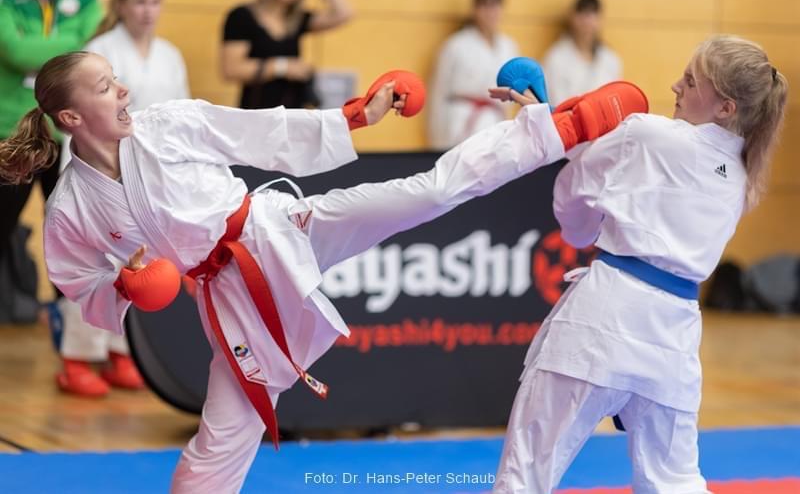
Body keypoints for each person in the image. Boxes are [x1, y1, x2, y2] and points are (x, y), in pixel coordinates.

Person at [0, 50, 643, 492]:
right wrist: (124, 286)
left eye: (117, 80)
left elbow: (260, 133)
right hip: (229, 293)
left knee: (424, 193)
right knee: (224, 436)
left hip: (277, 230)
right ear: (71, 119)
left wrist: (357, 116)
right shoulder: (71, 207)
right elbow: (78, 282)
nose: (123, 90)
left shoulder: (164, 125)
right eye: (106, 87)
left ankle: (557, 130)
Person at [492, 35, 787, 493]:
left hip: (602, 320)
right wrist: (552, 122)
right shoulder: (743, 175)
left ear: (725, 107)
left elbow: (575, 193)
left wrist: (546, 123)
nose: (675, 87)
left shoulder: (647, 134)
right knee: (676, 482)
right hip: (674, 341)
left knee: (526, 474)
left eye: (691, 82)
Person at [48, 0, 191, 398]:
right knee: (96, 263)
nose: (148, 11)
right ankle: (77, 357)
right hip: (99, 169)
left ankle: (122, 352)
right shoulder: (100, 52)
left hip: (147, 174)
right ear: (122, 5)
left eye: (154, 2)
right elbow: (76, 119)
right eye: (139, 2)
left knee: (138, 265)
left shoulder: (170, 55)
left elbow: (180, 115)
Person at [0, 0, 100, 284]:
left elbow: (92, 45)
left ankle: (65, 309)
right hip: (10, 129)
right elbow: (13, 49)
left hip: (64, 132)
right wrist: (71, 41)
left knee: (69, 234)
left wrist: (32, 46)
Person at [220, 0, 352, 109]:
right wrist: (283, 67)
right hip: (256, 112)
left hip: (292, 113)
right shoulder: (242, 16)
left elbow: (344, 13)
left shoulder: (298, 20)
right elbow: (231, 69)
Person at [428, 0, 518, 150]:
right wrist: (437, 141)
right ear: (475, 10)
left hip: (495, 120)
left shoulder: (508, 46)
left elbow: (514, 92)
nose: (490, 13)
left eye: (495, 6)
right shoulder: (455, 45)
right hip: (460, 120)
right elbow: (438, 92)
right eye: (485, 6)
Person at [542, 0, 621, 106]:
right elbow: (553, 102)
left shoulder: (610, 58)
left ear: (600, 19)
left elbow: (615, 99)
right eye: (583, 14)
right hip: (566, 116)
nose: (587, 21)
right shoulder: (556, 57)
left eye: (593, 14)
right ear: (572, 18)